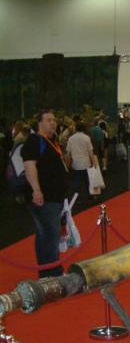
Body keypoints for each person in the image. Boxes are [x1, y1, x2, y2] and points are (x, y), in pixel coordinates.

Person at [22, 110, 70, 278]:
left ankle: (47, 273)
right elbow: (29, 165)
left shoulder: (50, 141)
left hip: (54, 197)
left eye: (54, 120)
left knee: (47, 234)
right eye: (49, 120)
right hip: (44, 198)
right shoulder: (35, 141)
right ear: (39, 123)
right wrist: (36, 190)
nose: (53, 122)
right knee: (50, 234)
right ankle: (53, 274)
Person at [66, 122, 97, 202]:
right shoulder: (86, 138)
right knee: (88, 181)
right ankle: (91, 195)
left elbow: (68, 152)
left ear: (76, 128)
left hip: (76, 164)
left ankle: (75, 198)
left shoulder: (71, 138)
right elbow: (90, 152)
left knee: (77, 182)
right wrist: (94, 163)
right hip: (86, 163)